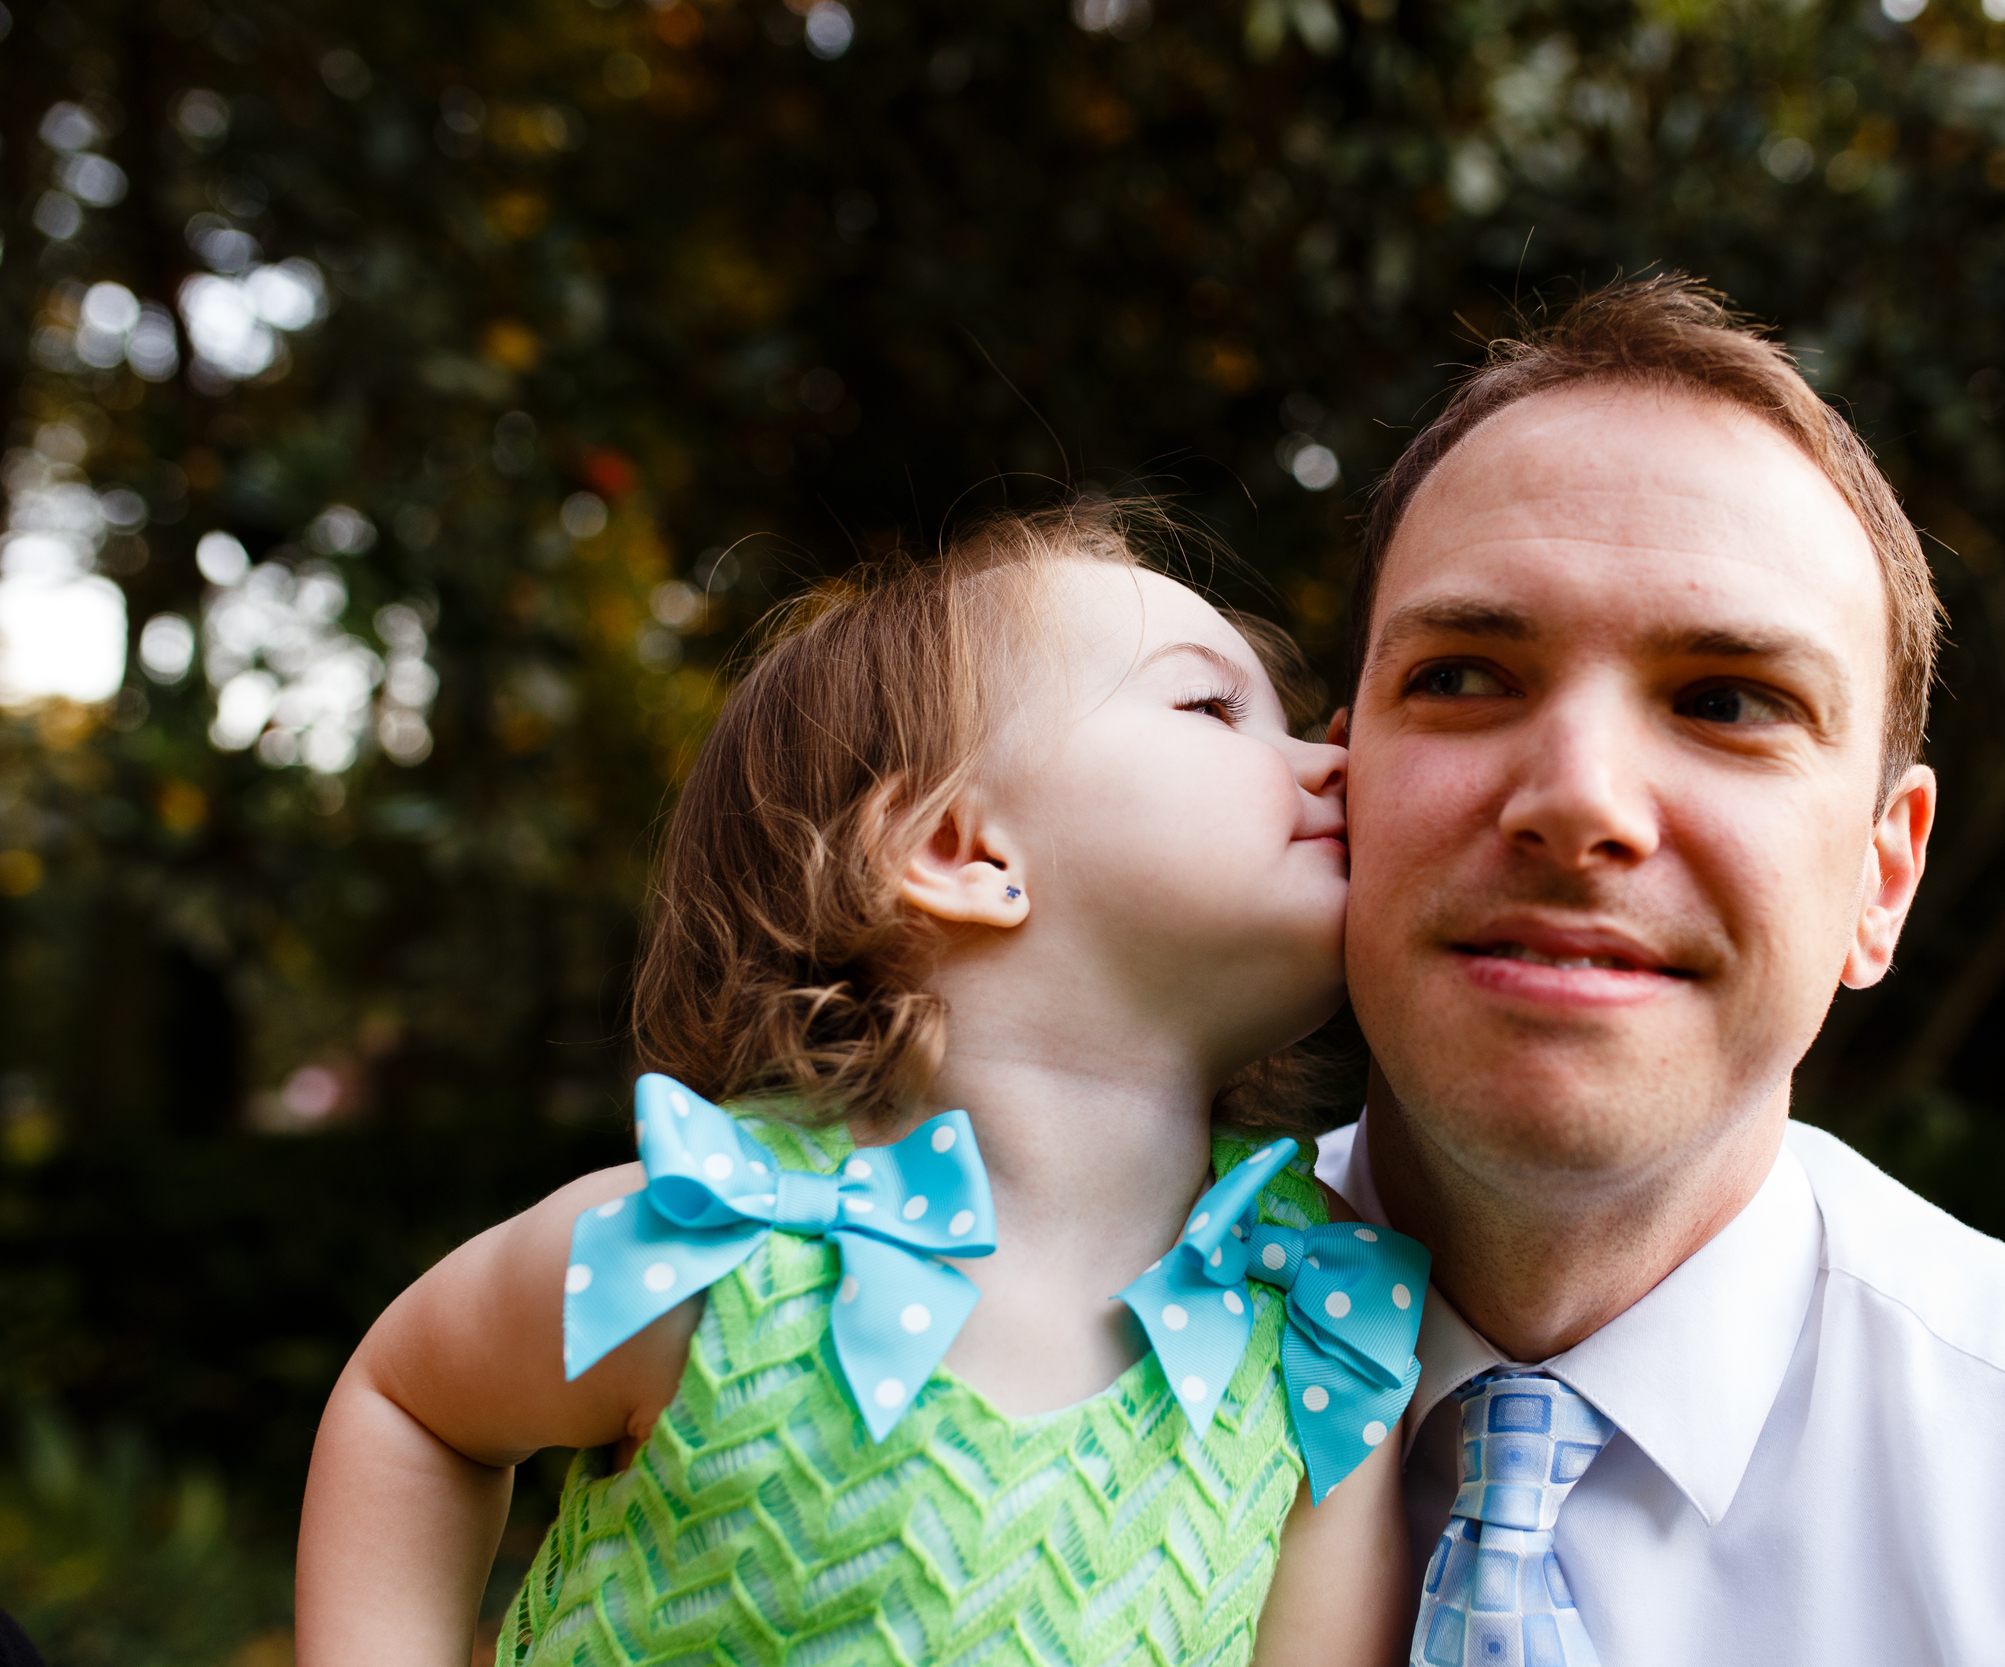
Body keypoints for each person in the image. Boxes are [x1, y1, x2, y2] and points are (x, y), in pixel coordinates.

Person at [1313, 276, 2005, 1665]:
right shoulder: (1003, 1376)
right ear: (1332, 782)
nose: (1580, 798)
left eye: (1726, 701)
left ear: (1882, 876)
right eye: (1465, 674)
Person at [295, 507, 1427, 1666]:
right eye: (1211, 708)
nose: (1337, 759)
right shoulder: (719, 1247)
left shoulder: (1316, 1323)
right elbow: (412, 1406)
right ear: (960, 848)